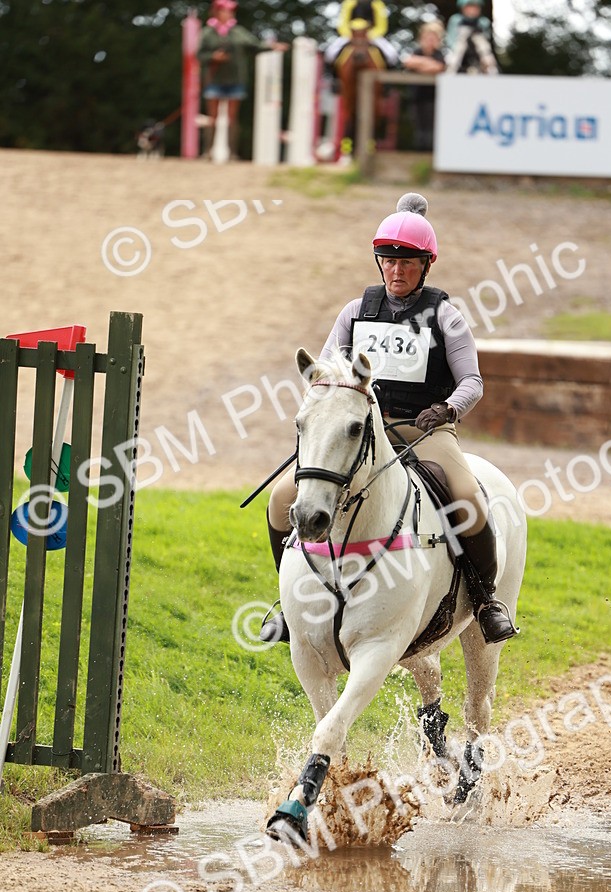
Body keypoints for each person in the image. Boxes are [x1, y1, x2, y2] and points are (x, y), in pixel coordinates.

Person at [261, 192, 517, 647]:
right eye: (388, 260)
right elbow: (323, 372)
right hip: (359, 431)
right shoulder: (355, 312)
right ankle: (288, 603)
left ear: (426, 264)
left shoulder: (446, 317)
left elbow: (473, 381)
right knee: (282, 496)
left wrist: (448, 408)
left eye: (408, 262)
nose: (396, 271)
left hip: (425, 429)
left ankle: (484, 598)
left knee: (466, 496)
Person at [197, 0, 285, 161]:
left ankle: (232, 153)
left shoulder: (238, 31)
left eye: (231, 11)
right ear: (216, 12)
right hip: (214, 79)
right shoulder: (207, 33)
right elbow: (199, 55)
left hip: (235, 79)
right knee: (213, 117)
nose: (229, 14)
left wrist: (272, 47)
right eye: (226, 11)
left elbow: (255, 45)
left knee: (232, 118)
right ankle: (208, 152)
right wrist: (213, 57)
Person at [403, 21, 447, 153]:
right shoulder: (417, 51)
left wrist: (420, 64)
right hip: (417, 98)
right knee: (419, 130)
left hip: (434, 99)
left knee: (431, 131)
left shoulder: (439, 54)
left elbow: (438, 67)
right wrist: (427, 64)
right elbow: (408, 62)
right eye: (428, 38)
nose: (430, 41)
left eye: (433, 38)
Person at [324, 0, 398, 73]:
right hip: (350, 34)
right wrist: (351, 35)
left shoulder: (377, 3)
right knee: (331, 52)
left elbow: (382, 26)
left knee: (391, 54)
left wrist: (369, 35)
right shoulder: (348, 3)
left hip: (372, 36)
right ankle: (331, 75)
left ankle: (389, 76)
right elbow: (343, 23)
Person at [445, 0, 498, 74]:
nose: (472, 10)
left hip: (477, 49)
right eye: (469, 7)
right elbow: (451, 39)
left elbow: (486, 38)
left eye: (475, 7)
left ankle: (491, 71)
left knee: (482, 44)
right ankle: (450, 72)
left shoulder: (483, 22)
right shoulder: (456, 20)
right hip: (460, 47)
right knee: (459, 46)